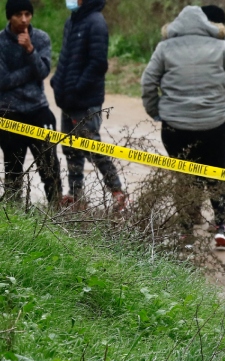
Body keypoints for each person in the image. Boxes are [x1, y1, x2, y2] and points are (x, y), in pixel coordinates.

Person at [141, 4, 225, 250]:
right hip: (214, 124)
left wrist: (155, 111)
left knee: (184, 177)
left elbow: (148, 81)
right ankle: (221, 228)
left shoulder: (164, 47)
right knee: (216, 173)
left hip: (174, 126)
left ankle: (186, 233)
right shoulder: (220, 46)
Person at [51, 0, 125, 210]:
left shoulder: (96, 22)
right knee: (70, 149)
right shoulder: (72, 21)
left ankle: (117, 191)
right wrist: (57, 81)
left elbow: (98, 63)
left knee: (93, 148)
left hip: (85, 101)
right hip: (67, 101)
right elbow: (66, 57)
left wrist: (77, 88)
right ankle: (75, 194)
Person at [0, 0, 61, 204]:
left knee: (49, 166)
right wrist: (30, 72)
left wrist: (30, 50)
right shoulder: (1, 42)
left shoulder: (40, 38)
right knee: (13, 168)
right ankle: (13, 215)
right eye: (19, 14)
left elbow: (43, 71)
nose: (24, 19)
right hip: (9, 110)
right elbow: (2, 81)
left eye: (28, 14)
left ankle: (57, 212)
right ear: (10, 16)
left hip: (38, 107)